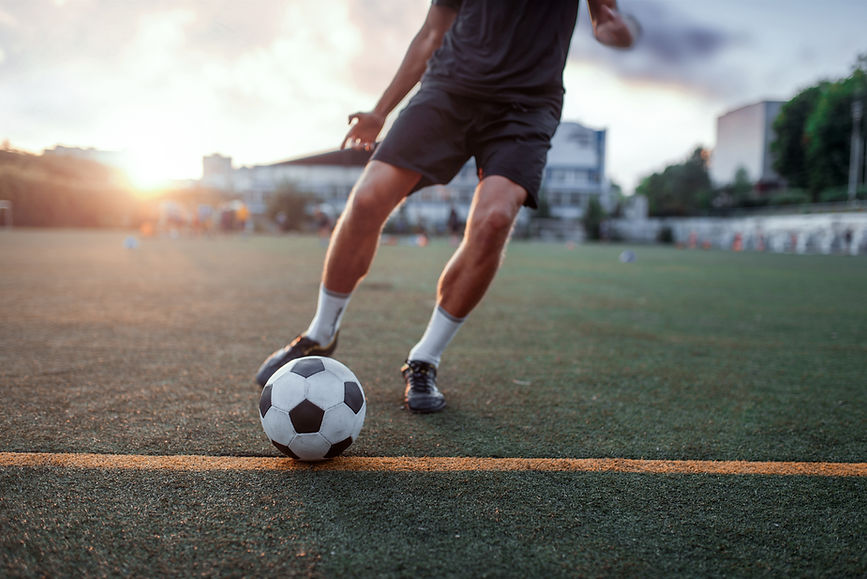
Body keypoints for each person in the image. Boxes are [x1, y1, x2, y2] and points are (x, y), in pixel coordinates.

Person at [256, 0, 637, 412]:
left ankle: (424, 359)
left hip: (525, 107)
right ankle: (320, 331)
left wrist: (614, 30)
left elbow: (604, 17)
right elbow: (432, 33)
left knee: (494, 221)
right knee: (367, 199)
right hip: (449, 90)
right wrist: (380, 112)